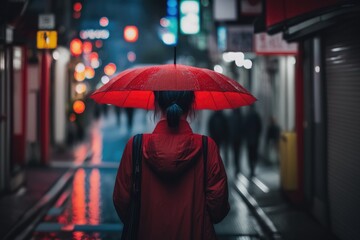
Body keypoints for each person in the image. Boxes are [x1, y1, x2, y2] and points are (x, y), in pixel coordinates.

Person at [113, 91, 230, 240]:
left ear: (156, 104)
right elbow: (218, 208)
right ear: (191, 105)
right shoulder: (207, 147)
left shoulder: (135, 146)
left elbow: (121, 201)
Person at [244, 105, 262, 178]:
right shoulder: (257, 116)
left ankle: (251, 169)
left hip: (249, 139)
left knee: (250, 154)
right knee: (254, 154)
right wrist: (257, 135)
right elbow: (260, 127)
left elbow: (244, 127)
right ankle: (253, 169)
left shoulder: (247, 116)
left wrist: (245, 136)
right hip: (255, 139)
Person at [228, 108, 244, 176]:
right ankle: (238, 166)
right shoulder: (241, 117)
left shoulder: (230, 117)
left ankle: (236, 166)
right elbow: (243, 128)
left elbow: (228, 128)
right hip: (239, 139)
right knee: (238, 153)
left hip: (233, 139)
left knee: (235, 153)